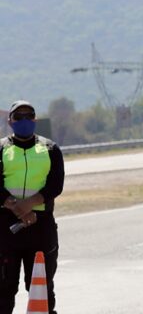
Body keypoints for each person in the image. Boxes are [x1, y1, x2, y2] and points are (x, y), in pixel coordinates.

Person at [0, 101, 64, 314]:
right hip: (6, 228)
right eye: (19, 117)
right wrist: (15, 206)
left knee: (41, 288)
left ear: (35, 120)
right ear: (10, 121)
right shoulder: (1, 149)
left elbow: (55, 185)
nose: (25, 120)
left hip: (41, 227)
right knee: (3, 288)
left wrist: (29, 204)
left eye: (30, 116)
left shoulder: (51, 149)